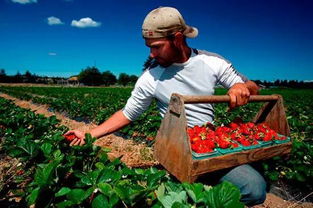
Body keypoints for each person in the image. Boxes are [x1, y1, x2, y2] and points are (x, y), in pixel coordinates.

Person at [65, 6, 266, 206]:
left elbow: (251, 87)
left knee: (254, 190)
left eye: (157, 46)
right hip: (176, 149)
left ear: (178, 39)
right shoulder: (150, 78)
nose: (151, 54)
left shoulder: (212, 62)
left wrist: (242, 87)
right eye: (149, 47)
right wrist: (89, 134)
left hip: (209, 144)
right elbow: (128, 114)